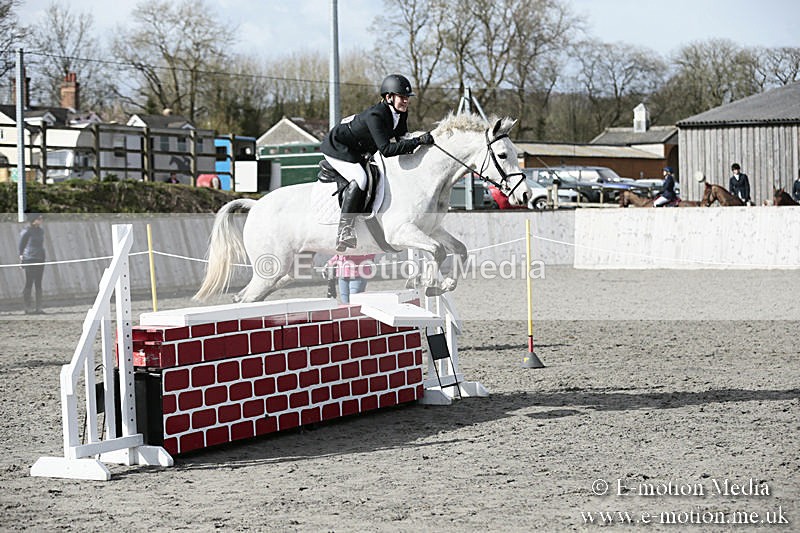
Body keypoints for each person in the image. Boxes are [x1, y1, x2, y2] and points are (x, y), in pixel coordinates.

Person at [321, 74, 435, 251]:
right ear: (389, 97)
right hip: (338, 147)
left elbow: (401, 138)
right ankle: (344, 229)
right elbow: (387, 150)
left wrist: (421, 140)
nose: (406, 101)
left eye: (407, 98)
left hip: (360, 149)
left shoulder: (400, 113)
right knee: (360, 179)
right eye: (402, 97)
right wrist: (418, 142)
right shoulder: (376, 115)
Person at [18, 213, 46, 314]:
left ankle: (39, 307)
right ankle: (27, 307)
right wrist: (22, 259)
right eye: (39, 218)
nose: (41, 220)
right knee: (29, 282)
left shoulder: (41, 231)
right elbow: (21, 246)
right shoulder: (26, 231)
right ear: (34, 220)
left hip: (40, 258)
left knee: (39, 283)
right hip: (30, 258)